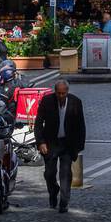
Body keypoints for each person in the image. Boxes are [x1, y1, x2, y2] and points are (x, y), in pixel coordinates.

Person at [34, 80, 86, 213]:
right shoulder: (47, 101)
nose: (61, 96)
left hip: (68, 143)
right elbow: (38, 123)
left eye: (64, 93)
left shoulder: (76, 102)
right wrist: (41, 142)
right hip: (50, 142)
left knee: (65, 173)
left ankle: (64, 201)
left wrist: (79, 146)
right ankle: (53, 191)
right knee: (49, 173)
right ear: (55, 92)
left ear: (67, 92)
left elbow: (81, 126)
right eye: (59, 93)